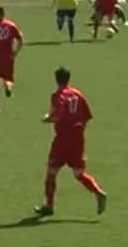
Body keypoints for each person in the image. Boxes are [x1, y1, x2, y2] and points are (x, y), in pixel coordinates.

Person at [35, 66, 107, 218]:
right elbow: (87, 117)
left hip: (62, 140)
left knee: (51, 172)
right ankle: (98, 192)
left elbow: (57, 115)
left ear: (56, 79)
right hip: (77, 138)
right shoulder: (78, 94)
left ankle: (49, 206)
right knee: (79, 173)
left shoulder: (57, 95)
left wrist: (47, 119)